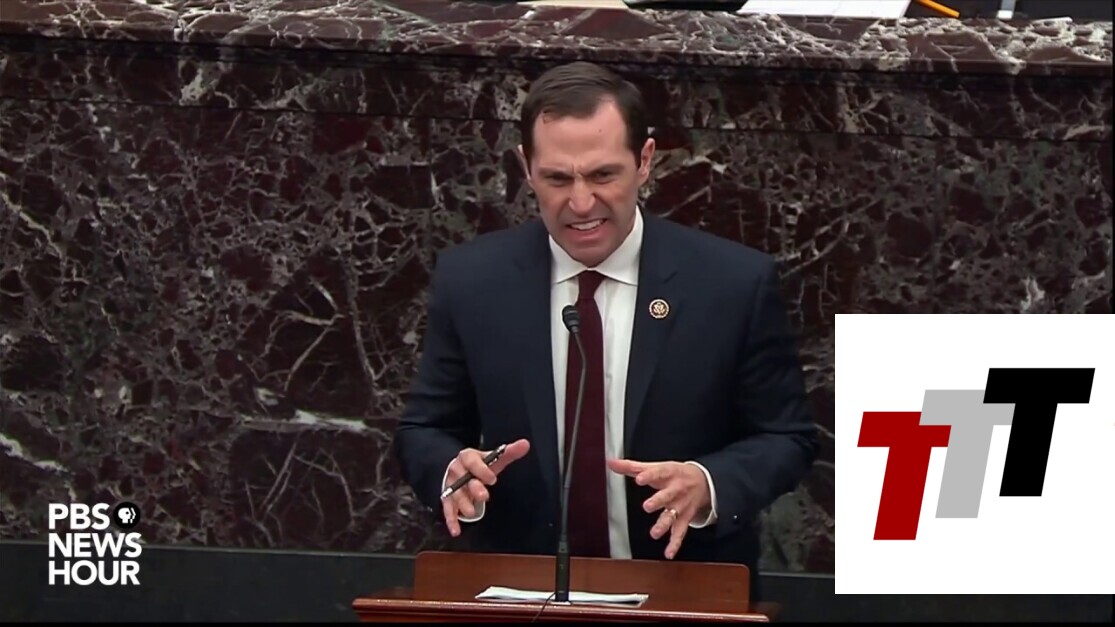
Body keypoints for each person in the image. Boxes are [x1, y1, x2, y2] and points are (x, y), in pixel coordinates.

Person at [393, 61, 819, 602]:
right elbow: (424, 429)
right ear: (526, 167)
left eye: (602, 176)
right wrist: (453, 471)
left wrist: (708, 483)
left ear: (644, 161)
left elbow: (787, 437)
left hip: (684, 589)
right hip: (520, 592)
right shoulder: (473, 281)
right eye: (557, 178)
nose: (581, 203)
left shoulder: (731, 283)